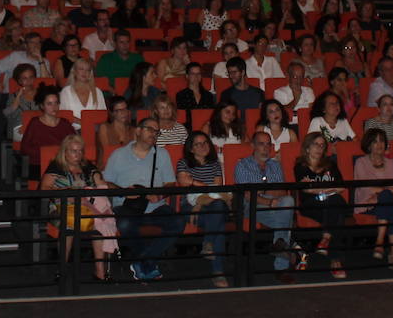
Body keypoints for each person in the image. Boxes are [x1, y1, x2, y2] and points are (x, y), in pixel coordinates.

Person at [103, 116, 183, 281]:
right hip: (127, 206)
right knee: (125, 224)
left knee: (178, 222)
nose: (154, 133)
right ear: (138, 131)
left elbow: (170, 183)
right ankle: (148, 264)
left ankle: (143, 262)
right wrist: (124, 191)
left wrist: (159, 194)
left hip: (155, 207)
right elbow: (106, 182)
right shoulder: (118, 154)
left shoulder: (162, 154)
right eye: (150, 129)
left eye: (156, 131)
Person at [40, 133, 116, 282]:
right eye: (74, 151)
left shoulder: (88, 166)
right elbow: (45, 188)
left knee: (100, 223)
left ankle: (100, 272)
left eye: (80, 151)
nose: (78, 154)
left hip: (89, 207)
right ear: (65, 151)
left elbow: (101, 184)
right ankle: (62, 269)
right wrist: (67, 193)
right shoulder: (56, 166)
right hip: (61, 207)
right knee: (68, 226)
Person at [233, 131, 299, 280]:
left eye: (268, 144)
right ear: (253, 146)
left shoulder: (275, 165)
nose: (265, 147)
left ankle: (280, 245)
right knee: (286, 215)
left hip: (276, 205)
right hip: (252, 206)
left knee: (288, 201)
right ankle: (281, 266)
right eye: (261, 144)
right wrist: (268, 200)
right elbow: (248, 195)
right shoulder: (242, 165)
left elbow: (282, 191)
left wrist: (263, 191)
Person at [176, 131, 231, 288]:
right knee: (218, 220)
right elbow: (184, 183)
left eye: (205, 142)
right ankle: (218, 272)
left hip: (213, 205)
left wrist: (195, 183)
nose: (202, 146)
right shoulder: (183, 162)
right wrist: (204, 191)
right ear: (191, 149)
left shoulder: (215, 164)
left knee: (218, 208)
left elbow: (218, 187)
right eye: (197, 144)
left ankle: (208, 243)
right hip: (191, 206)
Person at [293, 131, 348, 278]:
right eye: (315, 144)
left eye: (322, 145)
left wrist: (315, 188)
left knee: (336, 207)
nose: (319, 148)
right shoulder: (300, 165)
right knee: (337, 204)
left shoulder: (330, 165)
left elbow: (342, 187)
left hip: (329, 204)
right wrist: (328, 189)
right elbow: (304, 189)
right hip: (310, 206)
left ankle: (327, 240)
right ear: (307, 147)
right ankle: (335, 261)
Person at [351, 129, 393, 262]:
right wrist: (384, 192)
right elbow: (365, 187)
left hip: (384, 203)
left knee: (387, 199)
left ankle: (379, 243)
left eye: (382, 141)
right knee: (389, 200)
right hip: (367, 204)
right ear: (369, 145)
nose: (379, 144)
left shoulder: (391, 163)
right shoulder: (361, 162)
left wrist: (381, 194)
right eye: (375, 141)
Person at [21, 86, 77, 168]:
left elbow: (75, 144)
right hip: (39, 165)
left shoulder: (65, 123)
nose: (54, 107)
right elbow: (25, 148)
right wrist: (46, 153)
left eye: (56, 103)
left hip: (62, 164)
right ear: (42, 106)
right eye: (49, 104)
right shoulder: (35, 123)